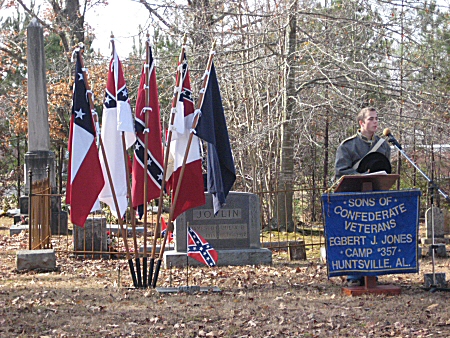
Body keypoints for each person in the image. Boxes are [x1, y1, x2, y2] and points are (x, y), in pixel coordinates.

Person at [334, 107, 391, 286]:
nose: (375, 122)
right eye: (371, 119)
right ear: (361, 123)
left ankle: (373, 273)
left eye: (377, 118)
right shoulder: (348, 146)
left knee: (376, 237)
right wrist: (361, 175)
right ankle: (354, 276)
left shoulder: (384, 146)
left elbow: (387, 172)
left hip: (375, 198)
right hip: (354, 199)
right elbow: (340, 172)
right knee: (356, 238)